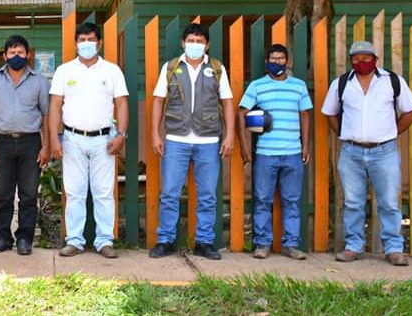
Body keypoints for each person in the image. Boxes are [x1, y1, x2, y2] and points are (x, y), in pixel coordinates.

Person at [321, 40, 412, 266]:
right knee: (353, 202)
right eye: (356, 58)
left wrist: (393, 131)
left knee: (389, 202)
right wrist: (344, 134)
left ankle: (394, 249)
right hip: (351, 152)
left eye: (366, 58)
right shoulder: (342, 83)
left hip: (384, 152)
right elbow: (330, 113)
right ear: (351, 61)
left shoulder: (392, 82)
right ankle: (353, 247)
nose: (361, 62)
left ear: (375, 59)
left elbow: (411, 112)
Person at [148, 23, 235, 260]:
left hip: (208, 140)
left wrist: (229, 135)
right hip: (176, 139)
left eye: (199, 41)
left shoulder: (216, 69)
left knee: (207, 194)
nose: (194, 45)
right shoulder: (171, 67)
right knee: (169, 193)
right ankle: (166, 240)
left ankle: (204, 242)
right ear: (182, 43)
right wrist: (156, 134)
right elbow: (157, 101)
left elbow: (227, 102)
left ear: (207, 44)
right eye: (191, 40)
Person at [49, 23, 129, 259]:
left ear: (100, 43)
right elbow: (55, 104)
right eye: (82, 39)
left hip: (104, 140)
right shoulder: (65, 71)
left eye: (91, 39)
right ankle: (75, 240)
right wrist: (55, 137)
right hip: (73, 138)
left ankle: (105, 241)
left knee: (104, 192)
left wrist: (121, 135)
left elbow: (122, 103)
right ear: (75, 43)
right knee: (74, 192)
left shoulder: (112, 71)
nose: (87, 44)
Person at [0, 35, 50, 256]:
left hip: (31, 143)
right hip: (1, 143)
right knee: (4, 194)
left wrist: (46, 146)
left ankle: (25, 238)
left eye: (21, 53)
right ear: (4, 55)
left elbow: (46, 115)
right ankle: (3, 238)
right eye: (12, 53)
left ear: (29, 55)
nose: (17, 57)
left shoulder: (39, 81)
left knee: (28, 195)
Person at [237, 44, 311, 260]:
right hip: (266, 153)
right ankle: (262, 244)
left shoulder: (298, 86)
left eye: (280, 59)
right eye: (272, 59)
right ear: (266, 61)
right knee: (262, 199)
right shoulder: (257, 86)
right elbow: (242, 113)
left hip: (293, 152)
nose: (276, 62)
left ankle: (291, 245)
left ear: (287, 62)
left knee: (292, 200)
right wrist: (244, 146)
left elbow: (305, 115)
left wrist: (305, 146)